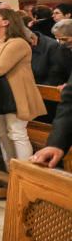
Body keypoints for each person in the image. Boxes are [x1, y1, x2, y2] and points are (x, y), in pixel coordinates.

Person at [0, 9, 46, 164]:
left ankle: (25, 174)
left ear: (6, 22)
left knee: (16, 133)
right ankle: (11, 171)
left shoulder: (18, 43)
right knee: (1, 133)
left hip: (17, 94)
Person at [30, 19, 72, 168]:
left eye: (65, 39)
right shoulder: (62, 49)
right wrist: (56, 144)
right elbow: (69, 104)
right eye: (59, 39)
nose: (61, 43)